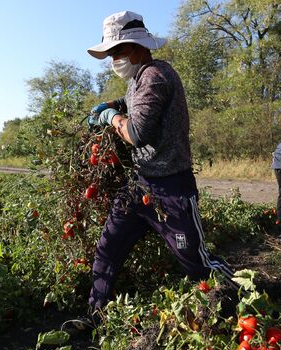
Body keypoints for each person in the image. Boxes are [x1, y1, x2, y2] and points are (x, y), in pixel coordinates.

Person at [84, 11, 239, 313]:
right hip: (139, 187)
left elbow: (138, 133)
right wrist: (114, 104)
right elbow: (133, 102)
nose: (114, 59)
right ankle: (95, 313)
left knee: (197, 264)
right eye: (111, 53)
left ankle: (243, 295)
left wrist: (110, 117)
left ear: (138, 46)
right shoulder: (139, 78)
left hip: (171, 189)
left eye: (118, 51)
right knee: (107, 249)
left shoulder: (155, 76)